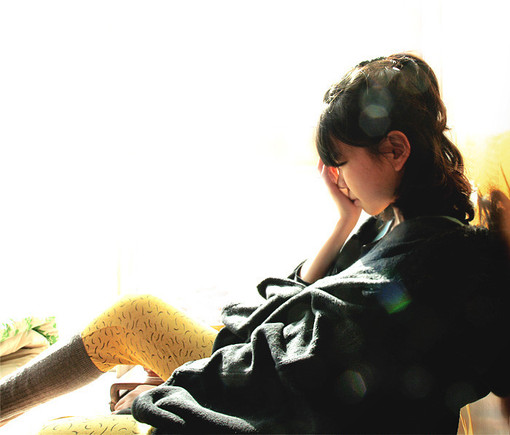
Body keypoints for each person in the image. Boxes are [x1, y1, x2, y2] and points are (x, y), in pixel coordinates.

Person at [1, 53, 509, 434]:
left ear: (395, 149)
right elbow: (300, 315)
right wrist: (342, 224)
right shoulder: (394, 223)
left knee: (60, 431)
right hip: (257, 372)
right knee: (134, 314)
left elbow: (296, 369)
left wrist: (170, 393)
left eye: (341, 161)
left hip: (267, 404)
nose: (336, 177)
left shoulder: (434, 263)